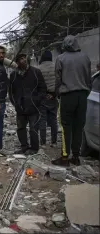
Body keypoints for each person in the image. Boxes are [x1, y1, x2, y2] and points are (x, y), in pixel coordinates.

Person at [52, 35, 92, 166]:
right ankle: (76, 156)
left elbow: (58, 79)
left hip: (67, 96)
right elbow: (88, 78)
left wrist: (57, 93)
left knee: (66, 127)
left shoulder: (61, 58)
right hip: (82, 96)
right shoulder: (85, 57)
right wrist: (86, 92)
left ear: (64, 44)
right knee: (78, 127)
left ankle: (64, 157)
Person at [9, 53, 47, 155]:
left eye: (24, 58)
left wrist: (37, 100)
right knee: (21, 128)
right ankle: (24, 147)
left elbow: (43, 89)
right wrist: (16, 104)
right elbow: (11, 93)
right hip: (20, 108)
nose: (24, 60)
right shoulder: (13, 75)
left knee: (33, 128)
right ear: (17, 62)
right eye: (21, 59)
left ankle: (34, 148)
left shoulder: (36, 72)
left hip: (33, 107)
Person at [37, 50, 58, 148]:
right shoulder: (56, 66)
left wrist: (43, 95)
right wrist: (54, 94)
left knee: (42, 120)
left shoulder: (38, 68)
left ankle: (43, 142)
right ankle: (54, 142)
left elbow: (37, 84)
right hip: (53, 97)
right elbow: (59, 82)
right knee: (53, 120)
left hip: (42, 98)